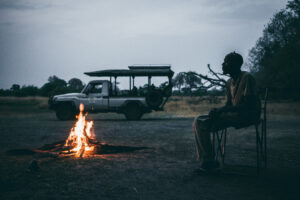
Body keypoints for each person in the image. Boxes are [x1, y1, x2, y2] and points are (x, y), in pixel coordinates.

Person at [193, 52, 261, 171]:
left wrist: (222, 111)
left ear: (235, 64)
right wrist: (217, 111)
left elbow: (248, 105)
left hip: (248, 116)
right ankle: (209, 160)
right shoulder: (229, 82)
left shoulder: (247, 78)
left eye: (225, 62)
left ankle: (208, 160)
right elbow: (229, 105)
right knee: (199, 121)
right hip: (234, 116)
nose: (222, 64)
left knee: (203, 123)